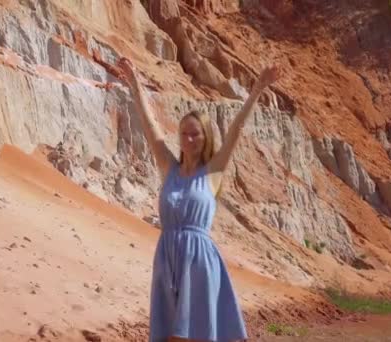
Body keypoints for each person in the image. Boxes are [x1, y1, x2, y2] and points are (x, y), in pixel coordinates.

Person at [117, 57, 280, 342]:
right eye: (184, 134)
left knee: (192, 335)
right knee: (169, 334)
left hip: (199, 261)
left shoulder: (212, 173)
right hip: (167, 257)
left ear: (205, 137)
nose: (189, 139)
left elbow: (236, 131)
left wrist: (257, 89)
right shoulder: (169, 167)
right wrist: (134, 84)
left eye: (195, 134)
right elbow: (150, 127)